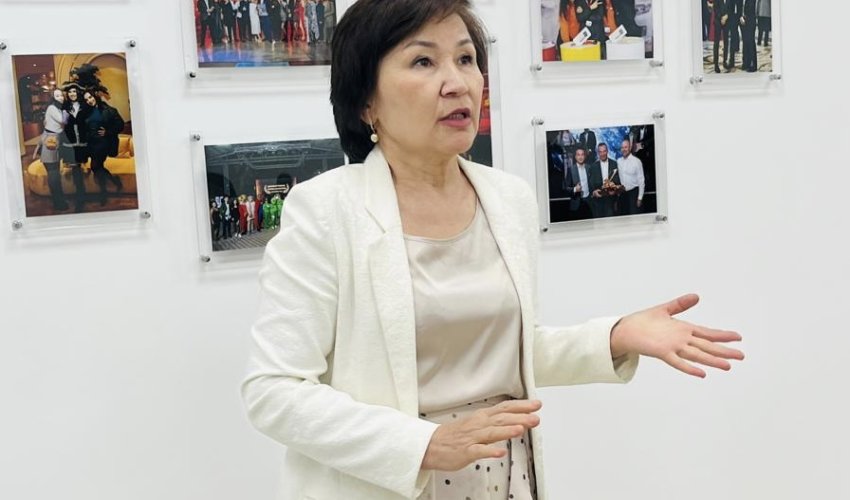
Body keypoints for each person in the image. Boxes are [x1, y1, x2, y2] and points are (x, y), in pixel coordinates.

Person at [241, 2, 744, 499]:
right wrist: (423, 445)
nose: (457, 83)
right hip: (393, 482)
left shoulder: (507, 199)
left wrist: (615, 337)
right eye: (423, 61)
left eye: (466, 59)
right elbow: (274, 390)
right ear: (366, 102)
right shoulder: (326, 209)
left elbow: (505, 351)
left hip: (505, 473)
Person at [82, 90, 124, 206]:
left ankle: (103, 194)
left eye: (90, 97)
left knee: (95, 166)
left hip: (104, 143)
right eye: (86, 99)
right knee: (98, 168)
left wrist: (108, 131)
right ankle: (115, 181)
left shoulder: (109, 110)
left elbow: (120, 125)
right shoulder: (86, 112)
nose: (89, 101)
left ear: (95, 96)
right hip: (92, 144)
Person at [33, 89, 69, 211]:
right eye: (57, 96)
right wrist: (66, 109)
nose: (61, 97)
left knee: (54, 172)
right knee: (53, 172)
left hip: (53, 140)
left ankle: (59, 200)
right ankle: (58, 203)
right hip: (50, 141)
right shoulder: (53, 108)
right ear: (53, 98)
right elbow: (63, 120)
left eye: (61, 95)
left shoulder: (56, 108)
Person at [60, 83, 91, 213]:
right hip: (71, 144)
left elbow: (90, 122)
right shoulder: (65, 107)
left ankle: (82, 196)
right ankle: (80, 198)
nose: (72, 94)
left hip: (83, 143)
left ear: (78, 93)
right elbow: (63, 123)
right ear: (67, 94)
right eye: (70, 92)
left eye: (74, 91)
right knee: (76, 171)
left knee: (82, 168)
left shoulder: (85, 106)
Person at [589, 142, 620, 218]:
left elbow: (618, 181)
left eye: (604, 151)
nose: (602, 154)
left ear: (607, 151)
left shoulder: (614, 164)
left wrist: (615, 190)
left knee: (611, 222)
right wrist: (594, 192)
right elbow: (590, 183)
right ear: (598, 153)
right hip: (598, 201)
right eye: (600, 152)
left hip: (611, 200)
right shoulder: (593, 166)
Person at [617, 138, 643, 216]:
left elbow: (641, 181)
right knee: (624, 217)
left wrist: (640, 198)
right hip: (623, 194)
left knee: (634, 217)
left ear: (630, 147)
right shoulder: (618, 161)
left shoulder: (637, 161)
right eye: (622, 147)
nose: (624, 149)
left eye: (626, 147)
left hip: (634, 193)